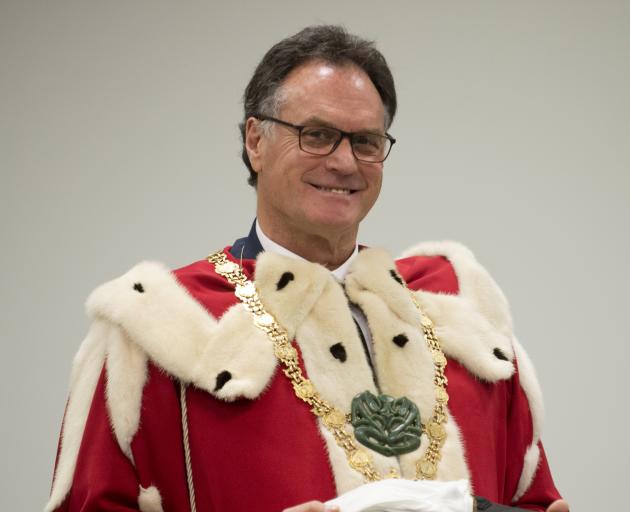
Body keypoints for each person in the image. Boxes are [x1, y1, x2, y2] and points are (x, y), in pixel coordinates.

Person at [46, 25, 569, 512]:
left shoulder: (463, 318)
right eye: (316, 135)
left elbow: (533, 499)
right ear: (256, 142)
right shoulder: (154, 327)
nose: (344, 162)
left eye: (366, 141)